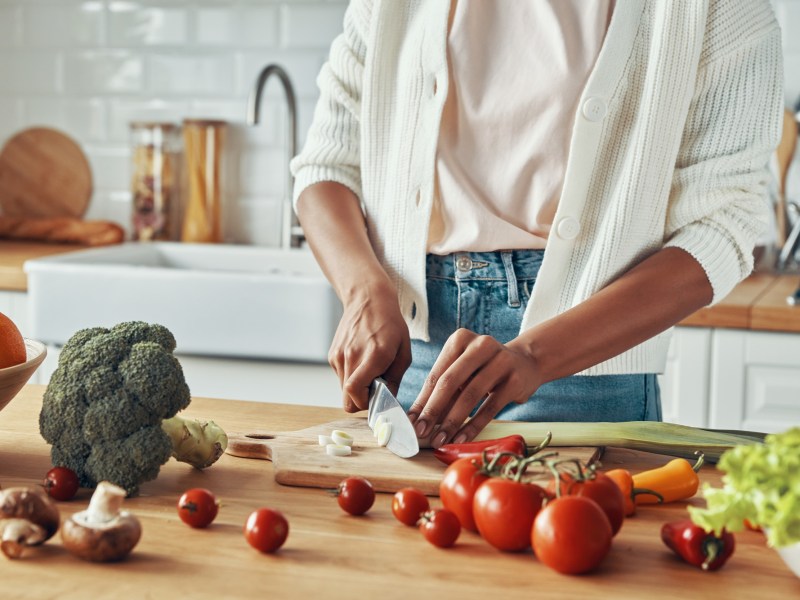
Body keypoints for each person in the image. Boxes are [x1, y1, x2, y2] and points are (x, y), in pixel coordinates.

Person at [290, 0, 783, 449]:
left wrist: (535, 356)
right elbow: (327, 167)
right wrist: (363, 290)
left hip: (586, 368)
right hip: (413, 359)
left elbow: (722, 227)